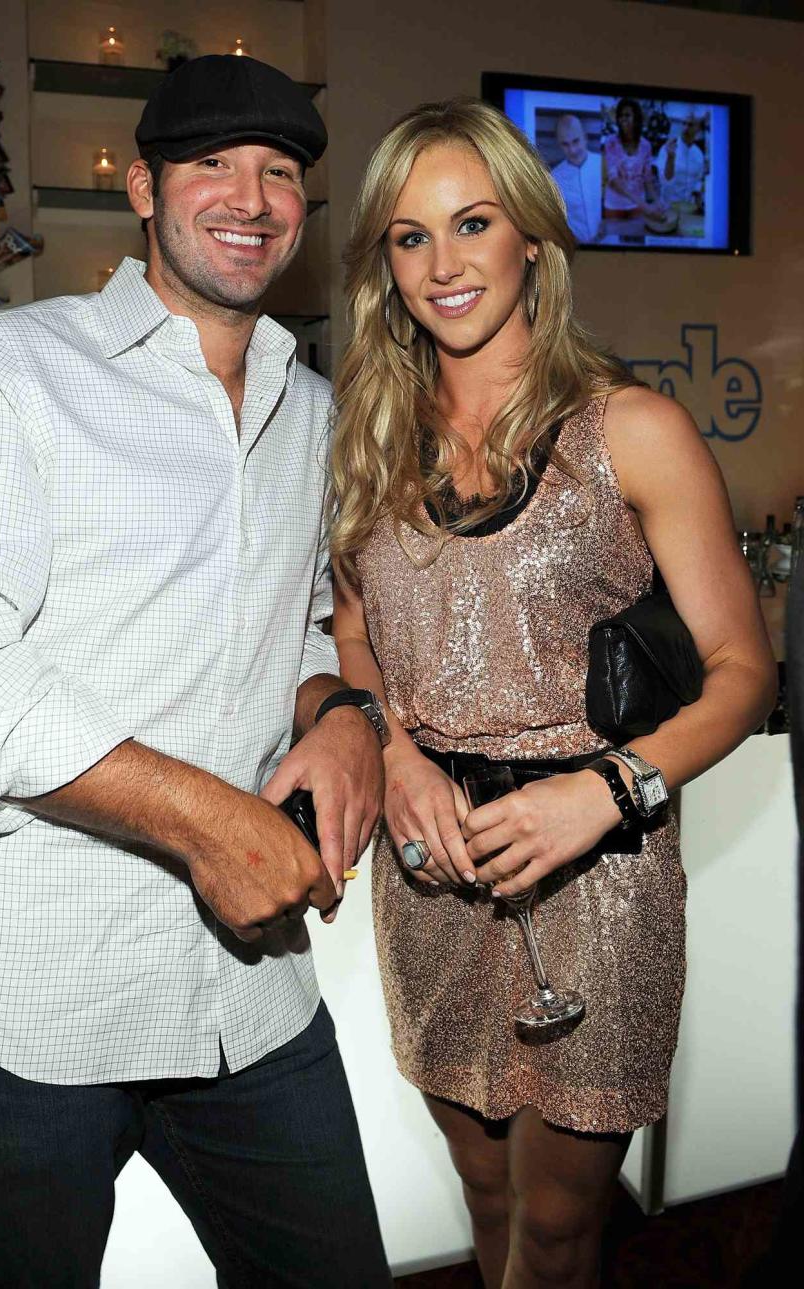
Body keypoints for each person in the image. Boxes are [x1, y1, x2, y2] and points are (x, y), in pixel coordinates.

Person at [0, 55, 391, 1288]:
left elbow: (299, 627)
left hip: (239, 992)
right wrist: (206, 817)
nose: (251, 198)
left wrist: (345, 713)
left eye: (281, 174)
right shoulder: (9, 365)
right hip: (8, 993)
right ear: (144, 189)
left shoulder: (312, 412)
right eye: (214, 165)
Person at [329, 96, 776, 1288]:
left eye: (472, 222)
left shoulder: (631, 428)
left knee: (565, 1221)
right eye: (411, 236)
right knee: (482, 1187)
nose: (445, 263)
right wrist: (396, 751)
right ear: (385, 261)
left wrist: (607, 791)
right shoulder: (369, 438)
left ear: (532, 234)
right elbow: (355, 639)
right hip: (429, 866)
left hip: (600, 875)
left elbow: (745, 672)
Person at [601, 97, 661, 239]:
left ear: (637, 118)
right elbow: (613, 180)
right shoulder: (611, 143)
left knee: (636, 245)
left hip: (637, 206)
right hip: (614, 205)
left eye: (627, 115)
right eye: (620, 116)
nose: (623, 119)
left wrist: (658, 201)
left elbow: (647, 179)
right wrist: (644, 204)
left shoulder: (646, 145)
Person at [550, 113, 601, 244]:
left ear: (585, 138)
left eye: (576, 141)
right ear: (559, 145)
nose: (572, 150)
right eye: (565, 144)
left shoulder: (604, 164)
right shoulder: (554, 178)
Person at [656, 113, 706, 207]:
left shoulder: (699, 154)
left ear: (698, 130)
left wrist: (698, 196)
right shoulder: (667, 148)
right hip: (668, 207)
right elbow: (665, 181)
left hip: (688, 209)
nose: (686, 128)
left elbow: (697, 180)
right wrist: (671, 158)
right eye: (684, 123)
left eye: (690, 125)